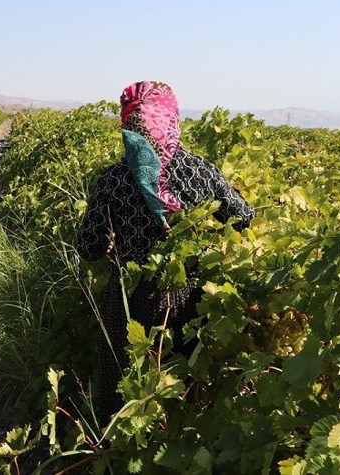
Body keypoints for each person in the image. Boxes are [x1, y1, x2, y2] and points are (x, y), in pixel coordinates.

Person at [75, 81, 255, 427]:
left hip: (127, 302)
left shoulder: (113, 179)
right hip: (193, 304)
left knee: (122, 399)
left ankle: (117, 452)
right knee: (185, 396)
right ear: (173, 119)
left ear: (129, 126)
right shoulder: (202, 172)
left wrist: (115, 237)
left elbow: (88, 246)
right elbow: (244, 217)